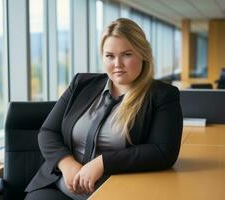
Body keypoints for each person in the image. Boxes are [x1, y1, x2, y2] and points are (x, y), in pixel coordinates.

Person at [24, 18, 183, 200]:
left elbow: (163, 152)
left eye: (127, 54)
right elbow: (48, 132)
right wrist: (67, 165)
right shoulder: (81, 83)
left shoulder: (162, 95)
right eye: (110, 56)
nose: (117, 64)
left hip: (114, 188)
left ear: (143, 54)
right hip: (60, 183)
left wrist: (101, 163)